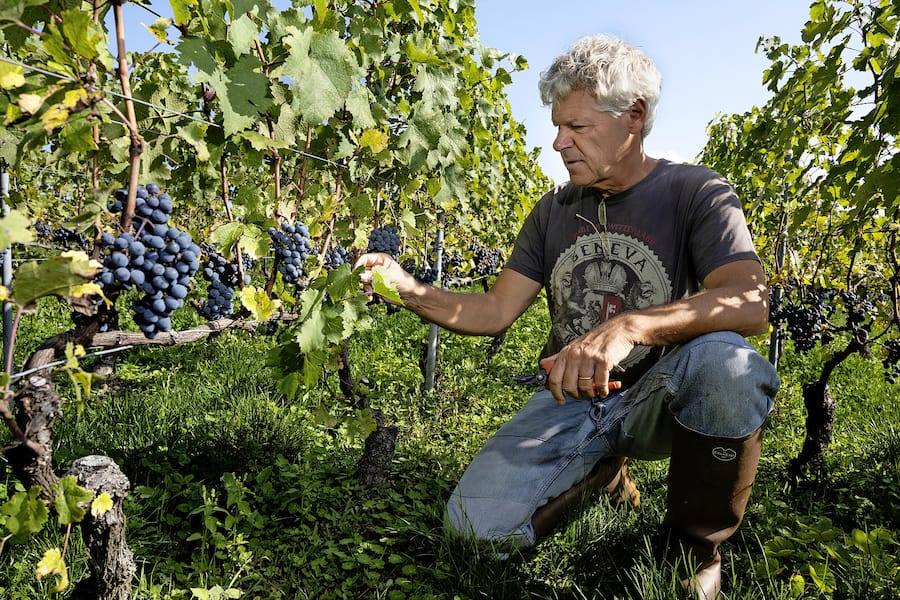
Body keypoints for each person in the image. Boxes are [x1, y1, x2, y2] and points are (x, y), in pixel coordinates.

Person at [355, 34, 780, 600]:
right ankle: (601, 476)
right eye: (558, 126)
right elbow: (495, 309)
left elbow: (748, 301)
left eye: (577, 127)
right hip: (571, 398)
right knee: (473, 532)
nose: (559, 142)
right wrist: (411, 291)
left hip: (660, 395)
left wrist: (629, 326)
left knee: (730, 365)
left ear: (634, 116)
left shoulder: (695, 192)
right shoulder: (552, 210)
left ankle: (695, 549)